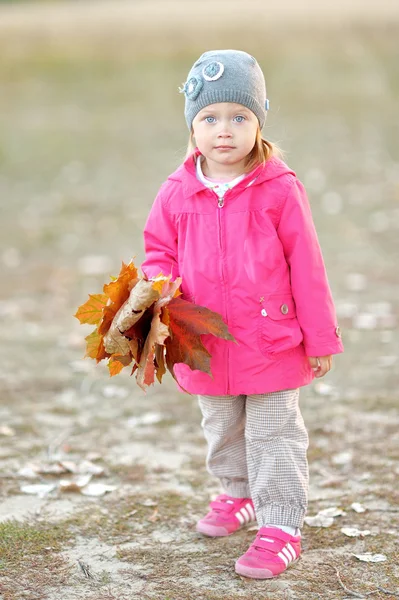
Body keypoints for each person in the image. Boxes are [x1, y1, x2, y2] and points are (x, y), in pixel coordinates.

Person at [141, 49, 344, 580]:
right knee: (223, 428)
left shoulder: (279, 189)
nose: (224, 131)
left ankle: (281, 525)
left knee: (275, 433)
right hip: (206, 342)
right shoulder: (176, 191)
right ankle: (238, 494)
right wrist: (157, 285)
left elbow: (308, 265)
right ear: (192, 125)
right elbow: (158, 250)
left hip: (272, 338)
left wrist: (319, 338)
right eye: (209, 118)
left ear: (259, 122)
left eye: (239, 117)